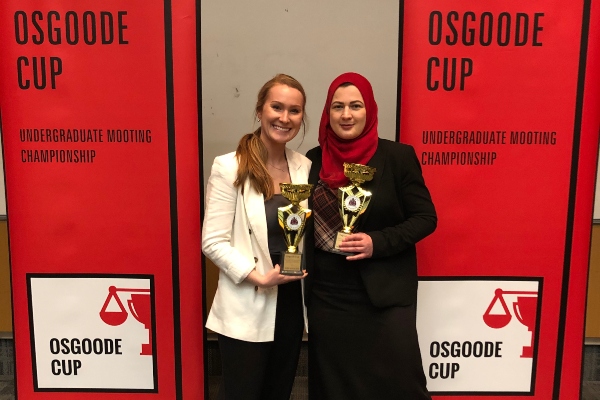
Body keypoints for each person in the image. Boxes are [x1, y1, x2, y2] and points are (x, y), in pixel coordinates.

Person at [304, 72, 437, 399]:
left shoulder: (397, 157)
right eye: (337, 106)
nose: (346, 114)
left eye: (355, 105)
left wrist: (377, 242)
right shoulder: (313, 160)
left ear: (370, 110)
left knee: (400, 384)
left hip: (385, 292)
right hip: (328, 294)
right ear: (327, 113)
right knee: (335, 384)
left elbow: (425, 218)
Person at [202, 74, 311, 400]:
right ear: (260, 110)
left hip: (292, 304)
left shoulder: (305, 167)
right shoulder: (229, 167)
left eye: (294, 110)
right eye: (276, 107)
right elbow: (212, 241)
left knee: (279, 394)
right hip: (248, 301)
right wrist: (258, 277)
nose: (284, 117)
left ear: (301, 117)